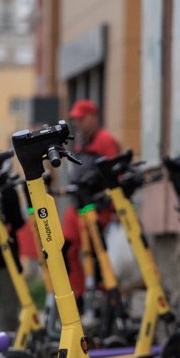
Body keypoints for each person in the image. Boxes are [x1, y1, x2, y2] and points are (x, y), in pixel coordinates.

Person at [61, 99, 120, 299]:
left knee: (97, 254)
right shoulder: (79, 141)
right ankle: (77, 296)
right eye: (76, 120)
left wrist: (113, 207)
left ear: (93, 118)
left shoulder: (105, 140)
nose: (78, 123)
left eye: (81, 118)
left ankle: (106, 298)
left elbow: (115, 174)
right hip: (77, 203)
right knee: (66, 249)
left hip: (97, 206)